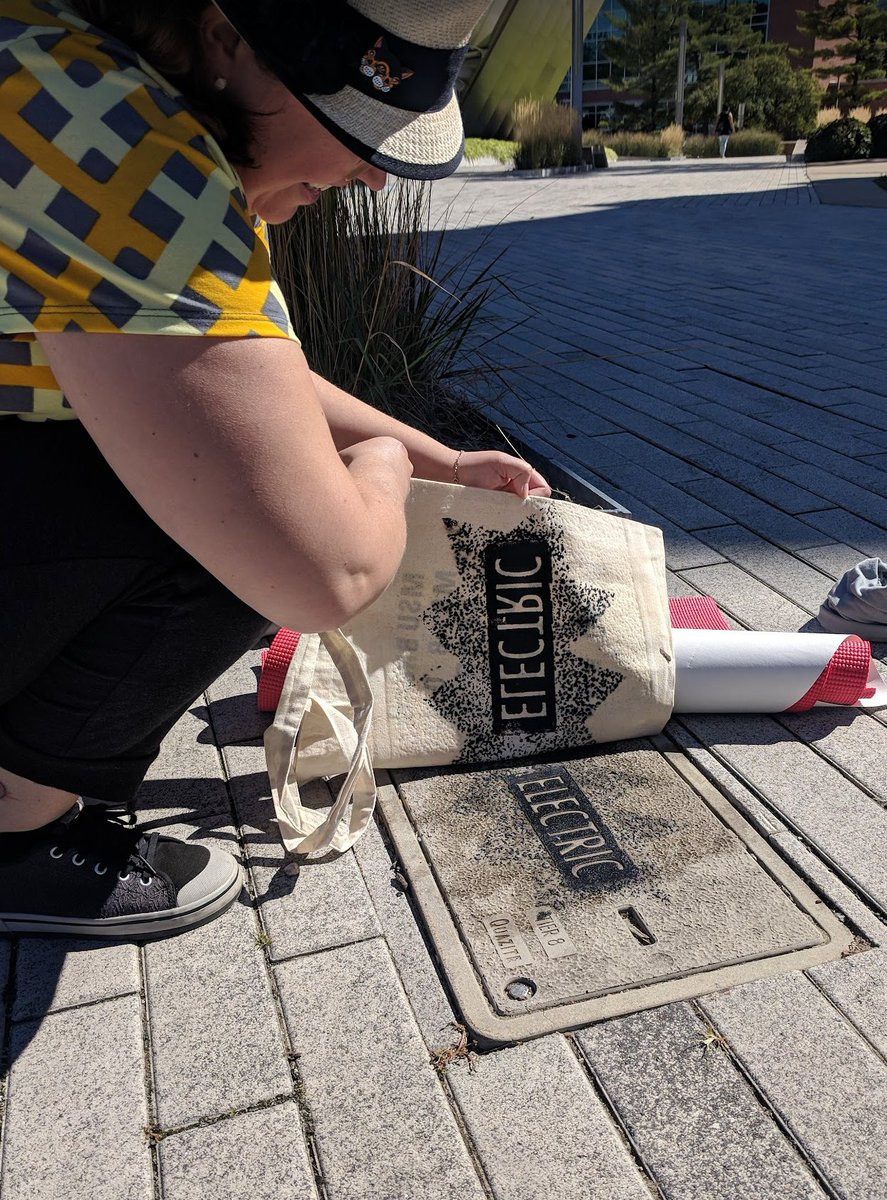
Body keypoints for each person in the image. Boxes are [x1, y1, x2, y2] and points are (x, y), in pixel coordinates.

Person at [0, 0, 551, 940]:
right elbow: (324, 570)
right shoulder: (135, 159)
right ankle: (14, 834)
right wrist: (376, 470)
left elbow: (218, 374)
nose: (374, 176)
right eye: (357, 131)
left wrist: (441, 458)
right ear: (223, 36)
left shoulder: (67, 80)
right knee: (236, 525)